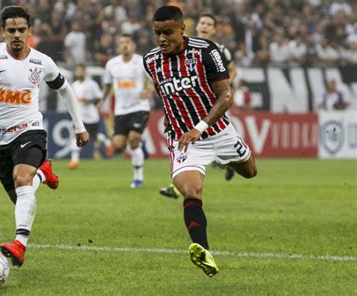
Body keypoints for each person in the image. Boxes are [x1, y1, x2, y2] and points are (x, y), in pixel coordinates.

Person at [0, 6, 89, 268]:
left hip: (30, 130)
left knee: (22, 178)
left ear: (30, 32)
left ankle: (20, 244)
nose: (16, 35)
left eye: (21, 30)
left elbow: (66, 91)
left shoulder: (42, 62)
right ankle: (43, 172)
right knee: (21, 195)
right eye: (11, 30)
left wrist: (79, 126)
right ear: (2, 32)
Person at [144, 6, 257, 277]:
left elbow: (226, 96)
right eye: (157, 33)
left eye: (168, 33)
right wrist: (177, 122)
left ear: (182, 28)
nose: (162, 39)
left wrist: (200, 125)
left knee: (250, 172)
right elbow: (167, 95)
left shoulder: (205, 51)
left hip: (218, 131)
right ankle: (203, 250)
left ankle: (226, 161)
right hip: (185, 141)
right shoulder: (150, 61)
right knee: (191, 192)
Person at [159, 12, 238, 198]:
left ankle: (227, 160)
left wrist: (224, 86)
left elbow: (232, 69)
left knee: (211, 139)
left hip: (212, 104)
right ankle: (179, 184)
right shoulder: (183, 47)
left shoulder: (219, 50)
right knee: (189, 144)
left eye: (209, 24)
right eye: (202, 22)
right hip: (189, 105)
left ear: (214, 29)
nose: (204, 26)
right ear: (196, 26)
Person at [100, 34, 152, 188]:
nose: (125, 45)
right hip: (121, 110)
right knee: (118, 145)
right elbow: (107, 86)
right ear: (118, 47)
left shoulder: (141, 62)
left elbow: (154, 80)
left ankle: (138, 177)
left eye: (128, 42)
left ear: (133, 45)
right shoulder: (111, 64)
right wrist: (101, 102)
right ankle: (139, 149)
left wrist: (149, 90)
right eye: (122, 42)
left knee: (134, 139)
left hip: (139, 107)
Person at [68, 63, 113, 169]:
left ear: (85, 72)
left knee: (94, 137)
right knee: (76, 136)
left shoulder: (92, 84)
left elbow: (99, 97)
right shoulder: (74, 85)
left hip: (92, 116)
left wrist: (88, 100)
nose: (78, 73)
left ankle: (107, 142)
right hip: (79, 116)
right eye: (77, 71)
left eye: (80, 70)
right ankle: (74, 161)